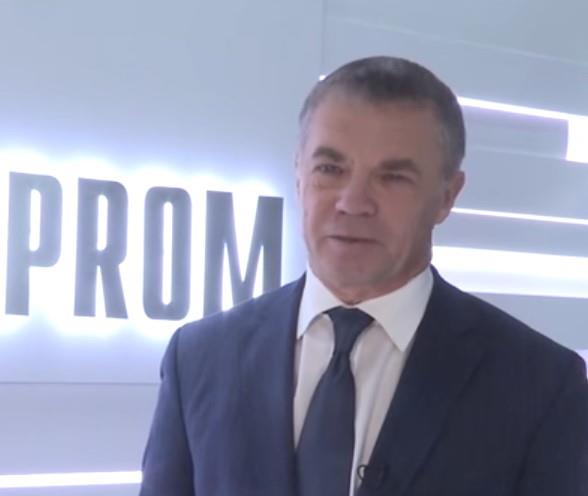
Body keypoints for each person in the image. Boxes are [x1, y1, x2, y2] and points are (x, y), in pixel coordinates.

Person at [139, 56, 588, 496]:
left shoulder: (538, 385)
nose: (353, 203)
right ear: (299, 176)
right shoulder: (198, 358)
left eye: (392, 177)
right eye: (330, 169)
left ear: (447, 197)